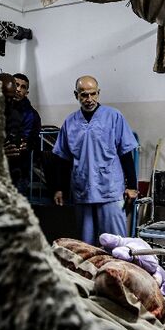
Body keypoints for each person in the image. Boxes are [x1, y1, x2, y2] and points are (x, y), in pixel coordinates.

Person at [52, 75, 138, 245]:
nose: (89, 99)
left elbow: (126, 153)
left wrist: (132, 186)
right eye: (84, 95)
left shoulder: (114, 117)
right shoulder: (70, 122)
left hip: (110, 189)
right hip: (82, 189)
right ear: (76, 95)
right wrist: (59, 188)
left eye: (93, 94)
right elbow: (62, 158)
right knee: (86, 245)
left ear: (98, 93)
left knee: (116, 243)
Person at [4, 73, 41, 194]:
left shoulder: (32, 115)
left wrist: (26, 144)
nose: (18, 89)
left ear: (27, 92)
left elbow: (32, 140)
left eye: (23, 87)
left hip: (19, 170)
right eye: (16, 85)